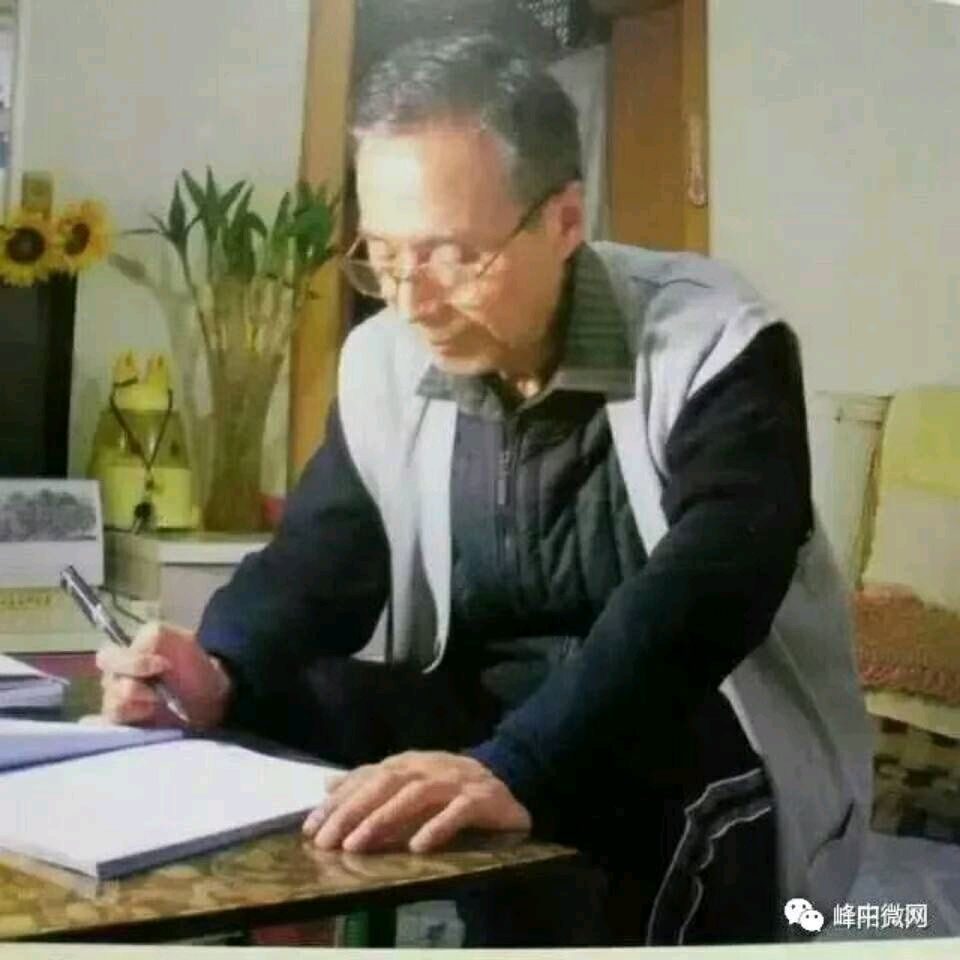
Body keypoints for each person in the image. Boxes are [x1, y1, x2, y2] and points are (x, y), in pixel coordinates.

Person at [97, 33, 872, 946]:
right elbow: (318, 560)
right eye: (383, 257)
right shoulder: (388, 359)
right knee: (260, 703)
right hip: (486, 708)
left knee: (638, 802)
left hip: (687, 716)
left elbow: (709, 592)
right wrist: (218, 668)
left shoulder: (713, 339)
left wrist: (522, 764)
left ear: (565, 220)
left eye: (453, 255)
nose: (412, 300)